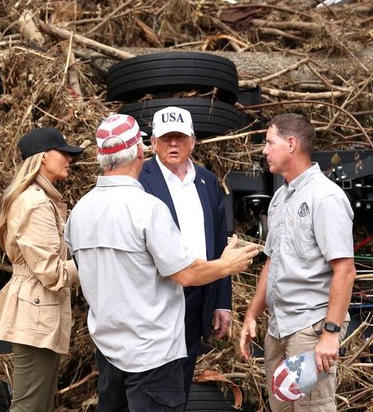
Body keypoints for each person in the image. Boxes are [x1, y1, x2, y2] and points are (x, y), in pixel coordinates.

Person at [64, 113, 259, 412]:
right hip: (152, 351)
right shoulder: (147, 209)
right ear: (143, 150)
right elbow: (184, 272)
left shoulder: (79, 211)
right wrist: (228, 265)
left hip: (109, 346)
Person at [238, 113, 357, 412]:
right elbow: (272, 261)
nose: (264, 150)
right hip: (279, 330)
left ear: (291, 144)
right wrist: (252, 314)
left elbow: (345, 269)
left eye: (269, 142)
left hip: (310, 330)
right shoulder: (279, 198)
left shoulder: (326, 197)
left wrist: (330, 333)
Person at [0, 126, 84, 412]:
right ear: (43, 157)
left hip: (38, 308)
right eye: (64, 153)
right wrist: (94, 262)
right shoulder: (36, 203)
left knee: (37, 404)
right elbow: (51, 272)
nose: (70, 159)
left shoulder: (40, 199)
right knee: (29, 406)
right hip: (36, 310)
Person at [138, 106, 230, 399]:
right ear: (153, 142)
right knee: (154, 385)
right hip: (156, 296)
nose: (173, 145)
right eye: (166, 138)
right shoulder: (140, 179)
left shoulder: (207, 181)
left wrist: (221, 302)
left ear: (192, 141)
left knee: (183, 381)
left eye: (179, 137)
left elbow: (220, 245)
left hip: (198, 296)